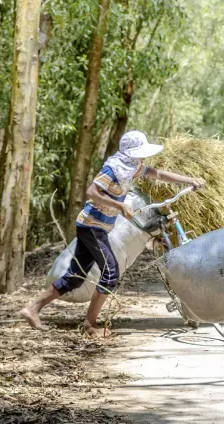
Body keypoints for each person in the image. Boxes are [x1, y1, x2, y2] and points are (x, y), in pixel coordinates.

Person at [20, 131, 205, 336]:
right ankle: (90, 326)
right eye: (141, 153)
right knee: (110, 274)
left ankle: (32, 309)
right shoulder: (113, 168)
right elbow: (91, 192)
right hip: (92, 226)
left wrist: (190, 180)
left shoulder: (132, 168)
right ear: (131, 153)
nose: (143, 158)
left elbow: (159, 174)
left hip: (95, 226)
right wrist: (119, 206)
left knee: (76, 276)